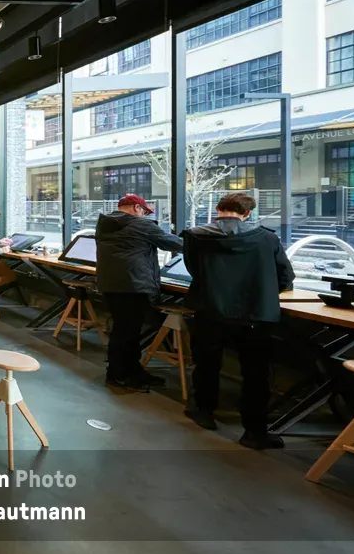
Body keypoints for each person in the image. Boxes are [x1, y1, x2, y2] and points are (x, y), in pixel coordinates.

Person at [181, 192, 295, 450]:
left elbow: (194, 271)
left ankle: (204, 412)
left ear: (219, 208)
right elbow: (285, 276)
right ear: (247, 213)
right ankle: (254, 432)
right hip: (255, 314)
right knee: (255, 373)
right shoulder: (266, 237)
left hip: (210, 310)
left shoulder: (195, 236)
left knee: (207, 364)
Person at [96, 194, 184, 391]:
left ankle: (130, 371)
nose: (144, 215)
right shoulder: (140, 225)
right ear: (136, 208)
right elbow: (175, 244)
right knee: (128, 334)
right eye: (144, 211)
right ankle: (119, 375)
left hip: (110, 284)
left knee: (122, 331)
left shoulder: (105, 224)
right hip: (134, 286)